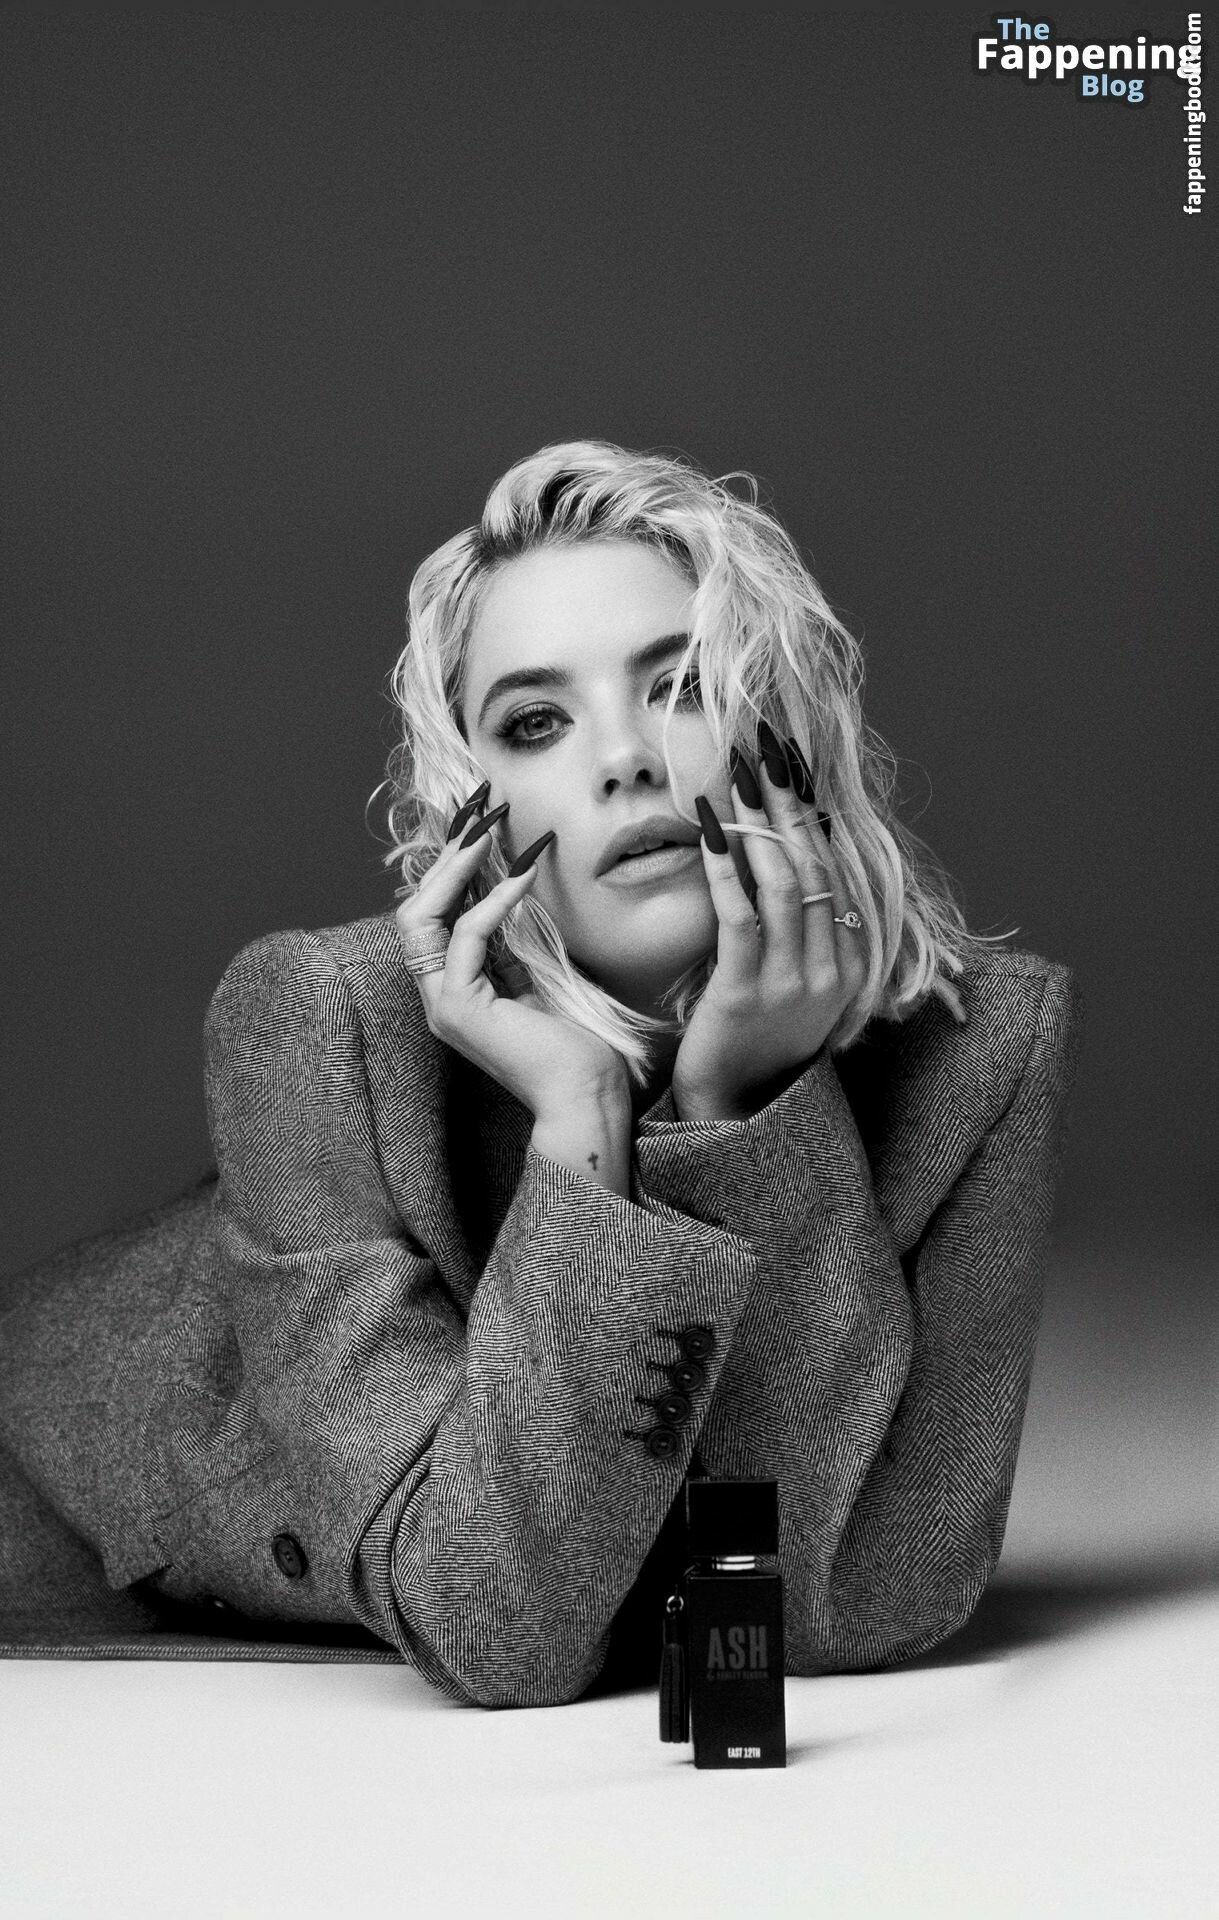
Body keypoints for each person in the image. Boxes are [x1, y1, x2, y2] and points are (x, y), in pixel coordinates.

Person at [0, 441, 1082, 1702]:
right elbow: (494, 1625)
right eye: (535, 723)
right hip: (44, 1515)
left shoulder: (981, 1049)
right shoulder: (320, 1016)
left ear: (782, 726)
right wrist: (582, 1120)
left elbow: (860, 1601)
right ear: (478, 802)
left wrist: (739, 1119)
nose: (624, 758)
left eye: (682, 686)